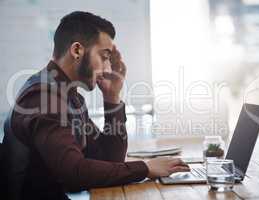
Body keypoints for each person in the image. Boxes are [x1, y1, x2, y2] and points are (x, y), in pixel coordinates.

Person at [2, 11, 190, 200]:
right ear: (77, 50)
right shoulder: (44, 97)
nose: (108, 68)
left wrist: (112, 97)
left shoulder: (70, 97)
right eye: (105, 56)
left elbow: (108, 158)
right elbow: (73, 172)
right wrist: (146, 168)